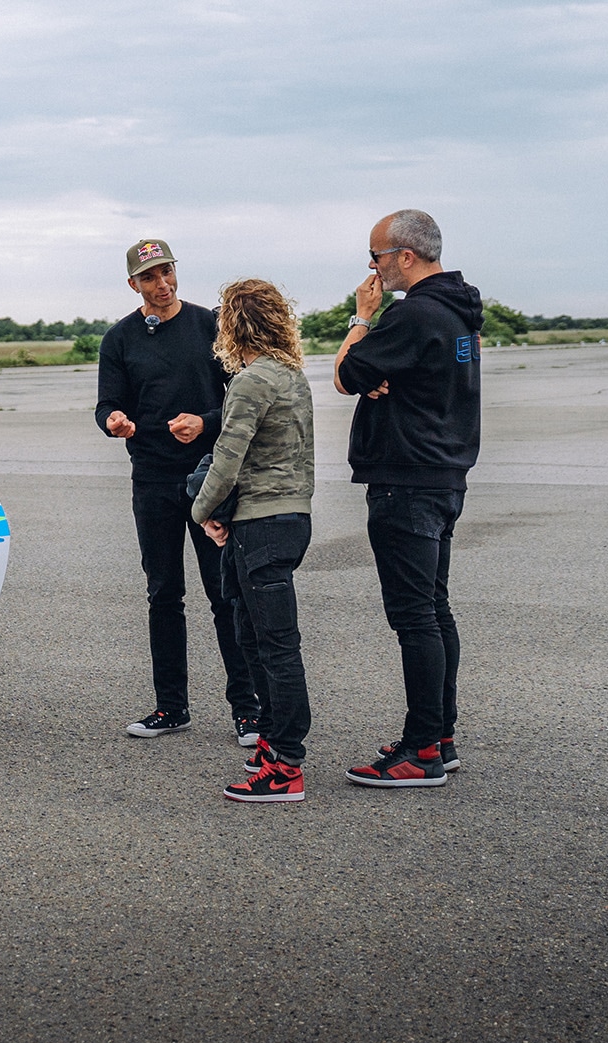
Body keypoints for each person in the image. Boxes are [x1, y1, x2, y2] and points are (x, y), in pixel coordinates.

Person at [330, 209, 482, 788]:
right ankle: (438, 733)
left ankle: (421, 751)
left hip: (407, 478)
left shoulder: (413, 313)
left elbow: (345, 374)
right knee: (434, 608)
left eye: (376, 257)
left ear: (406, 256)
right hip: (444, 474)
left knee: (414, 615)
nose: (373, 267)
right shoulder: (457, 311)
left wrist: (362, 318)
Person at [96, 239, 260, 741]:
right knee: (163, 593)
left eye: (167, 272)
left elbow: (244, 395)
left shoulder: (209, 326)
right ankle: (171, 707)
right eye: (150, 277)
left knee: (224, 593)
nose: (162, 284)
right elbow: (107, 405)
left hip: (209, 476)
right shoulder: (119, 339)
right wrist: (116, 421)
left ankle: (247, 708)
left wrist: (206, 421)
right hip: (151, 478)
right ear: (134, 284)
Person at [190, 280, 316, 802]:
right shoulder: (291, 375)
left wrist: (200, 511)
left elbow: (227, 458)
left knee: (275, 645)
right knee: (251, 634)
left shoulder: (250, 381)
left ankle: (286, 763)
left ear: (232, 325)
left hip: (261, 524)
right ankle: (271, 739)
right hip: (289, 517)